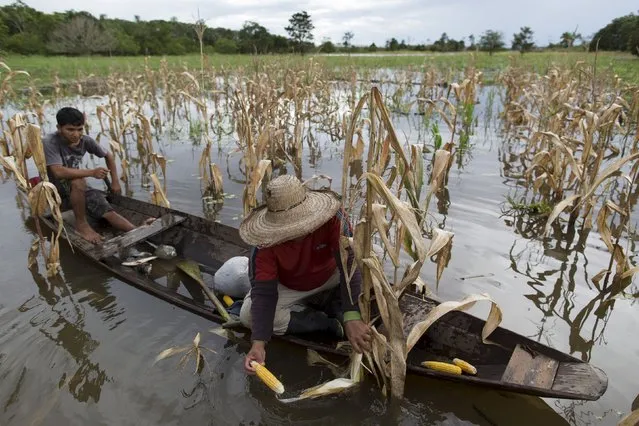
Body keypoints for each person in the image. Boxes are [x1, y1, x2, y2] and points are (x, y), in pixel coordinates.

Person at [238, 175, 372, 375]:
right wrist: (258, 345)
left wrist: (352, 315)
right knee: (248, 316)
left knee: (371, 259)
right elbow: (264, 293)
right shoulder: (265, 244)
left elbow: (349, 264)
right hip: (291, 285)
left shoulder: (333, 219)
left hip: (332, 274)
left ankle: (339, 305)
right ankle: (327, 324)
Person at [44, 107, 142, 243]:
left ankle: (136, 230)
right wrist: (92, 172)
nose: (76, 135)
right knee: (78, 181)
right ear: (59, 128)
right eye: (70, 130)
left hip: (78, 188)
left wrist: (115, 181)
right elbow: (58, 171)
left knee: (108, 212)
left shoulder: (85, 140)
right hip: (55, 189)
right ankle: (82, 225)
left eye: (79, 129)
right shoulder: (50, 142)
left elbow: (108, 155)